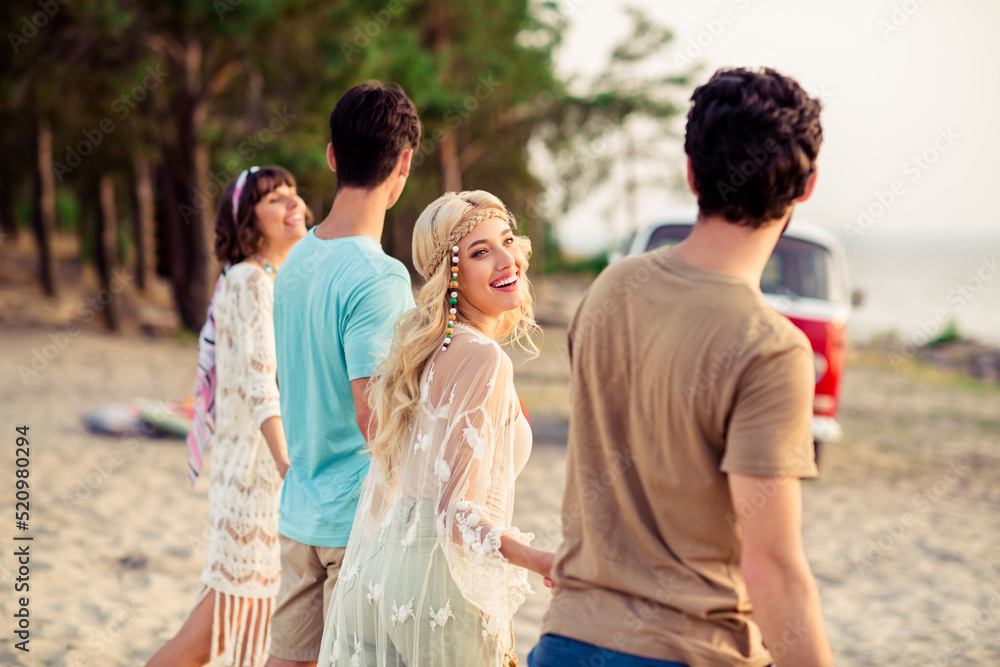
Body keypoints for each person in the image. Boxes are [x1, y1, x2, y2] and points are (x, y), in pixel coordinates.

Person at [530, 67, 836, 667]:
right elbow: (771, 567)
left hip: (566, 640)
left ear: (692, 172)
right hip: (689, 650)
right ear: (808, 187)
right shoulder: (772, 349)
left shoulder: (609, 289)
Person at [316, 190, 553, 667]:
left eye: (507, 240)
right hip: (440, 587)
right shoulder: (484, 358)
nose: (508, 260)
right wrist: (542, 561)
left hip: (378, 577)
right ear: (451, 274)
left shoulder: (419, 350)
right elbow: (455, 512)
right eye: (480, 251)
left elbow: (394, 480)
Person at [264, 82, 421, 667]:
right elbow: (372, 413)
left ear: (333, 156)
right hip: (356, 521)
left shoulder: (297, 258)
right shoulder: (378, 276)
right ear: (404, 162)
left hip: (300, 511)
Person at [147, 165, 310, 667]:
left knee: (269, 630)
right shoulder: (250, 280)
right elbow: (263, 387)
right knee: (213, 633)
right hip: (256, 480)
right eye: (274, 199)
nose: (292, 204)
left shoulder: (278, 280)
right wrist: (289, 468)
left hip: (268, 473)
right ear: (248, 222)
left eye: (294, 192)